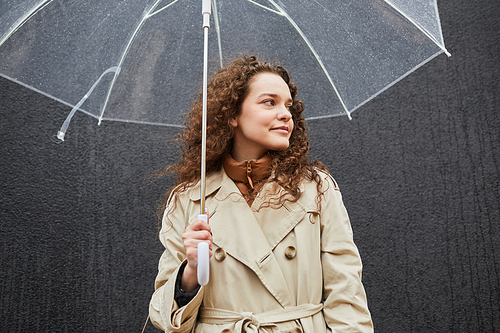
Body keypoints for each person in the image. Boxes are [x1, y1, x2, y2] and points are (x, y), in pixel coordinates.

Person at [149, 55, 373, 332]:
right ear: (232, 114)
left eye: (288, 106)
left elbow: (346, 293)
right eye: (270, 102)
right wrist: (190, 272)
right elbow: (166, 319)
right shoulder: (188, 200)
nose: (286, 114)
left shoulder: (317, 189)